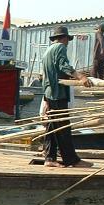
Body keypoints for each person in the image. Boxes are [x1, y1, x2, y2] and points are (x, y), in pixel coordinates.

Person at [41, 25, 93, 168]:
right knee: (63, 128)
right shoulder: (59, 48)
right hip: (58, 94)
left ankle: (49, 158)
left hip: (50, 93)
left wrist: (45, 98)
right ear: (64, 38)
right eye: (67, 40)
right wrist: (81, 76)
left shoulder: (47, 52)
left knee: (52, 127)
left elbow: (46, 77)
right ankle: (72, 160)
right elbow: (64, 66)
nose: (68, 43)